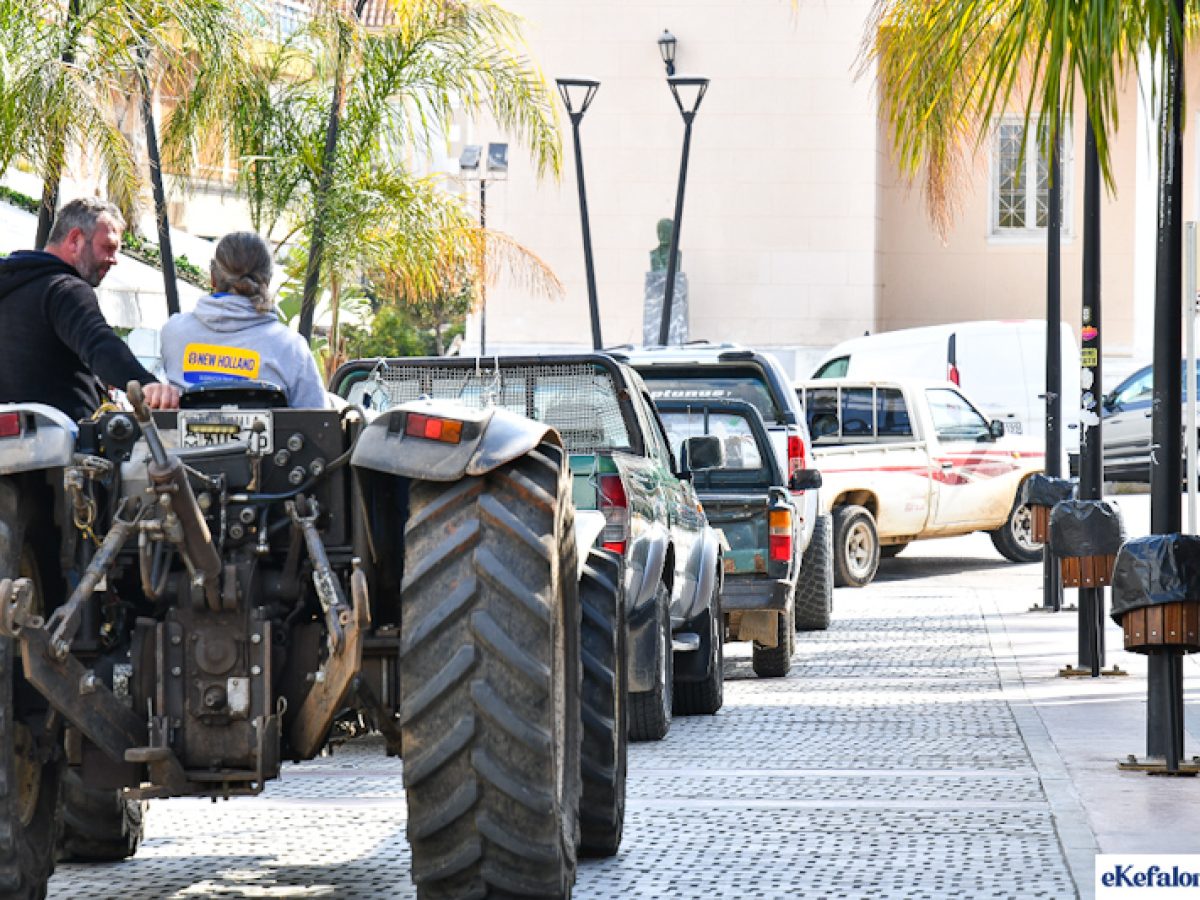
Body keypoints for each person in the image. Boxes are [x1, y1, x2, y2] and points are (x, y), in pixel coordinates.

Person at [0, 198, 180, 419]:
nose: (113, 260)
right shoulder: (64, 289)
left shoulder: (11, 283)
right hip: (60, 443)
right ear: (75, 239)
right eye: (107, 247)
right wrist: (145, 384)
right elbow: (99, 343)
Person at [160, 232, 326, 408]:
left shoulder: (174, 332)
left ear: (213, 278)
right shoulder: (290, 347)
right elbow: (316, 419)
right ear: (268, 280)